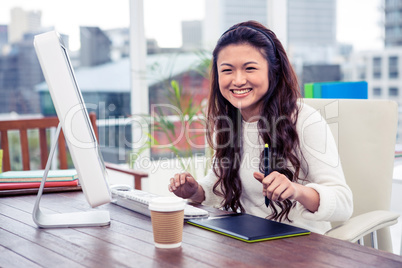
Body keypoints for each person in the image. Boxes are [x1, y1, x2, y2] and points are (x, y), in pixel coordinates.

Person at [168, 20, 353, 234]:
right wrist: (194, 191)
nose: (238, 80)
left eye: (250, 68)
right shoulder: (229, 122)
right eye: (227, 70)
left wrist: (296, 190)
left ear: (272, 71)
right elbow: (217, 187)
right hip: (246, 237)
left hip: (301, 243)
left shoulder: (304, 120)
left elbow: (343, 203)